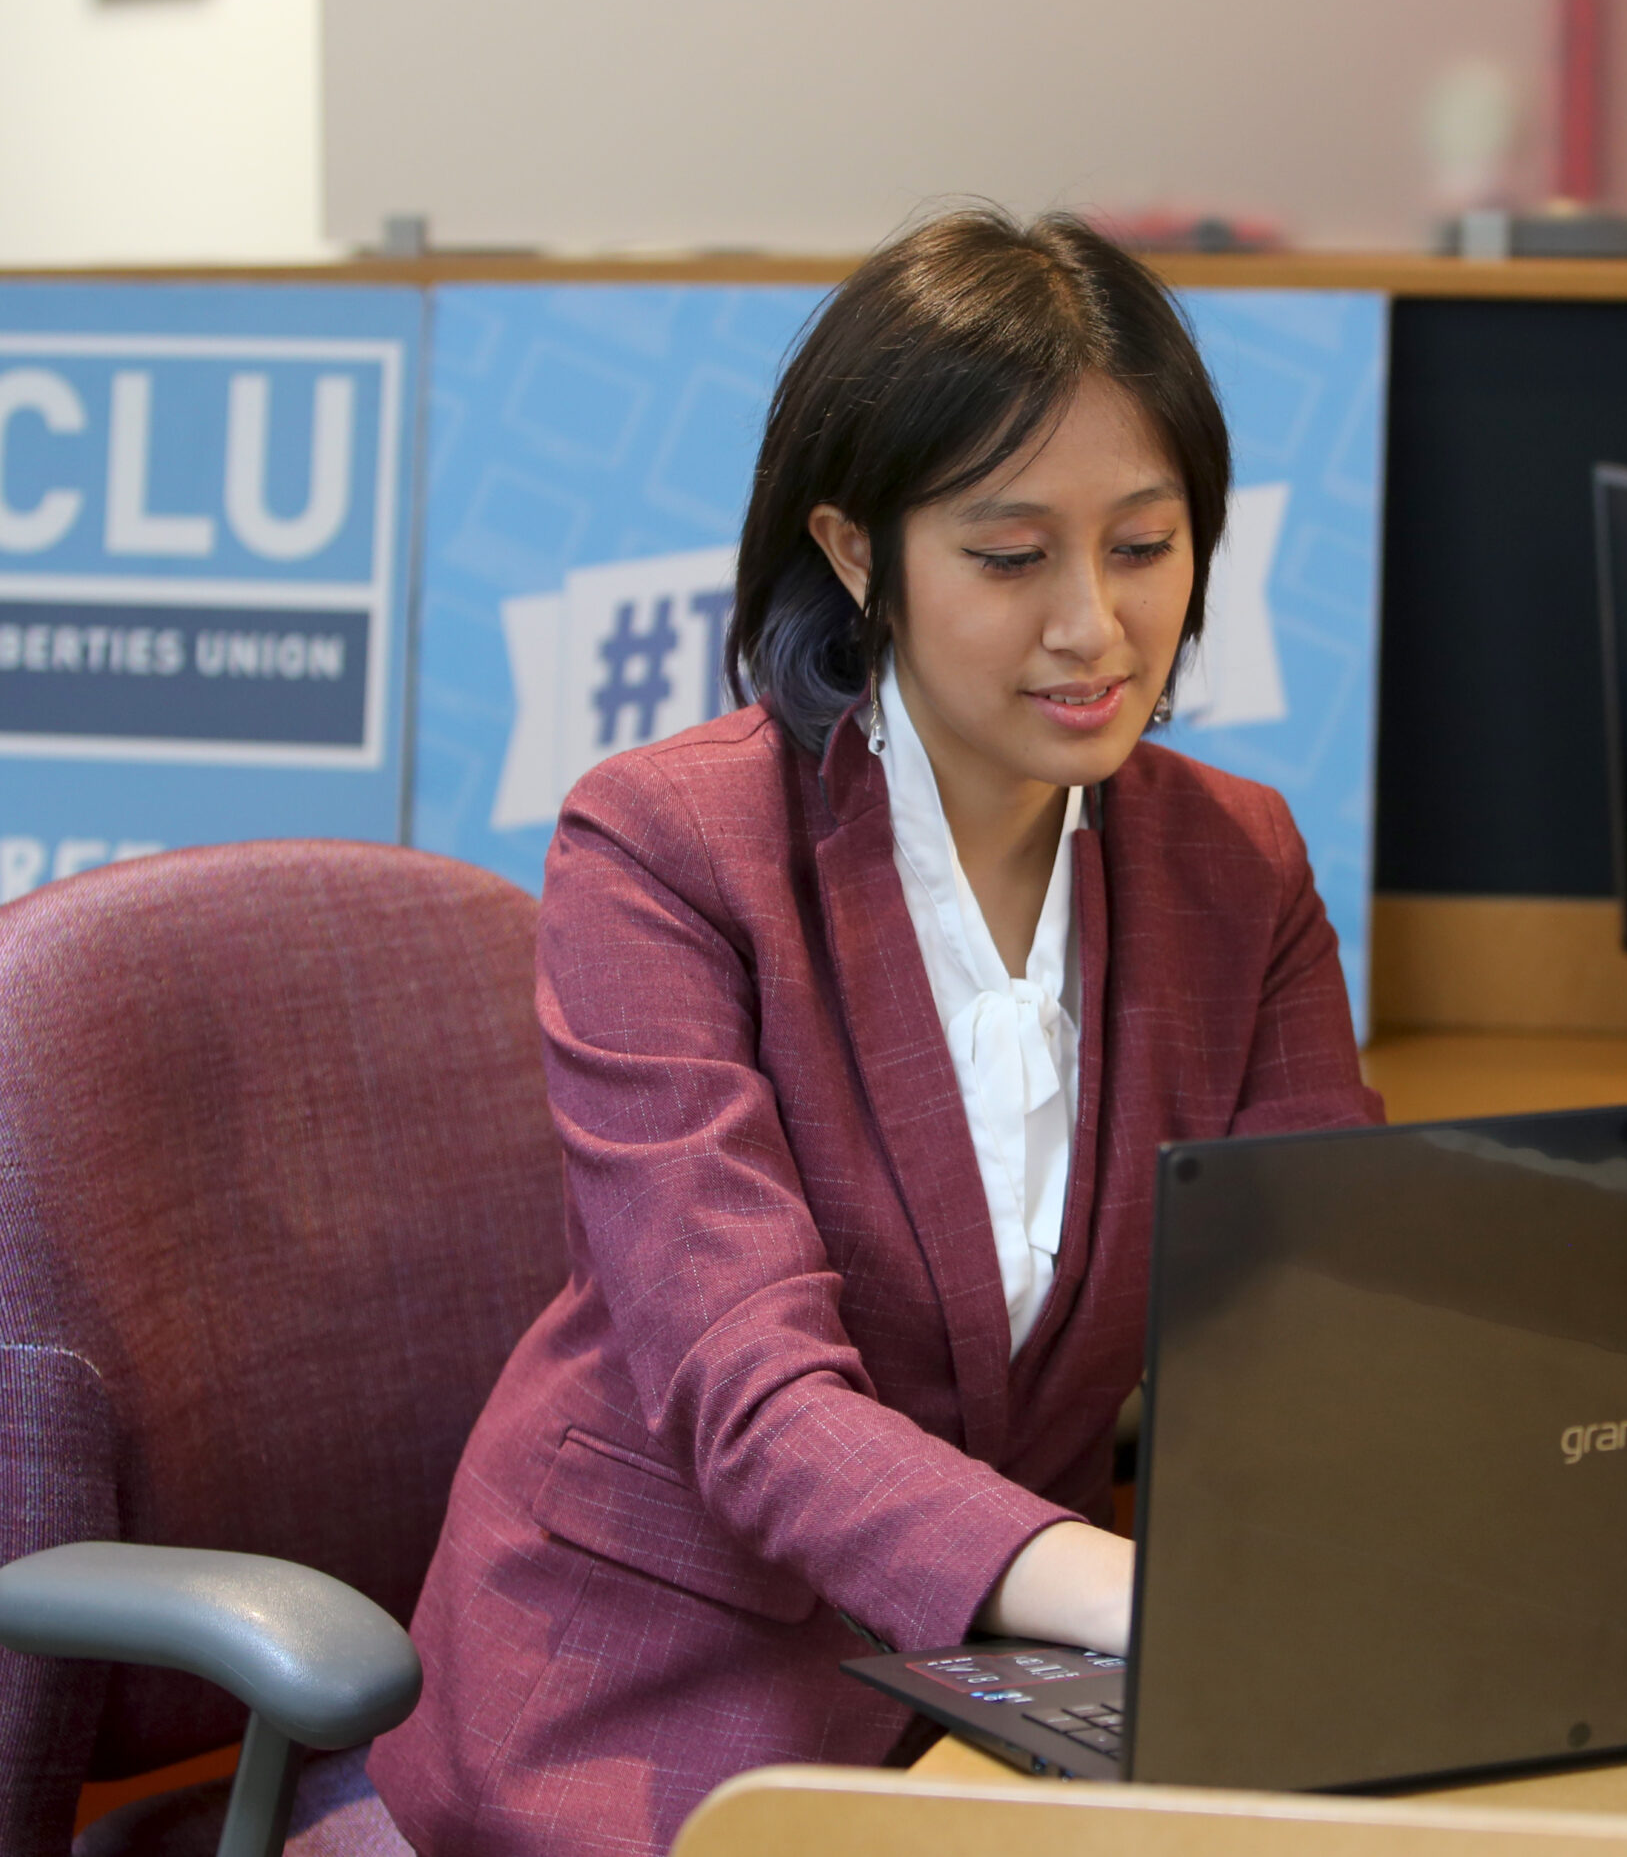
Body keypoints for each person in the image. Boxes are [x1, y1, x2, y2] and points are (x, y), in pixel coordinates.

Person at [368, 209, 1381, 1852]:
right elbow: (752, 1394)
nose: (1094, 626)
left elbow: (1326, 1329)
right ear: (857, 551)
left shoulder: (1235, 862)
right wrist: (1135, 1596)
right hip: (659, 1705)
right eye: (1009, 555)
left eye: (1143, 545)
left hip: (1015, 1710)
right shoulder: (667, 847)